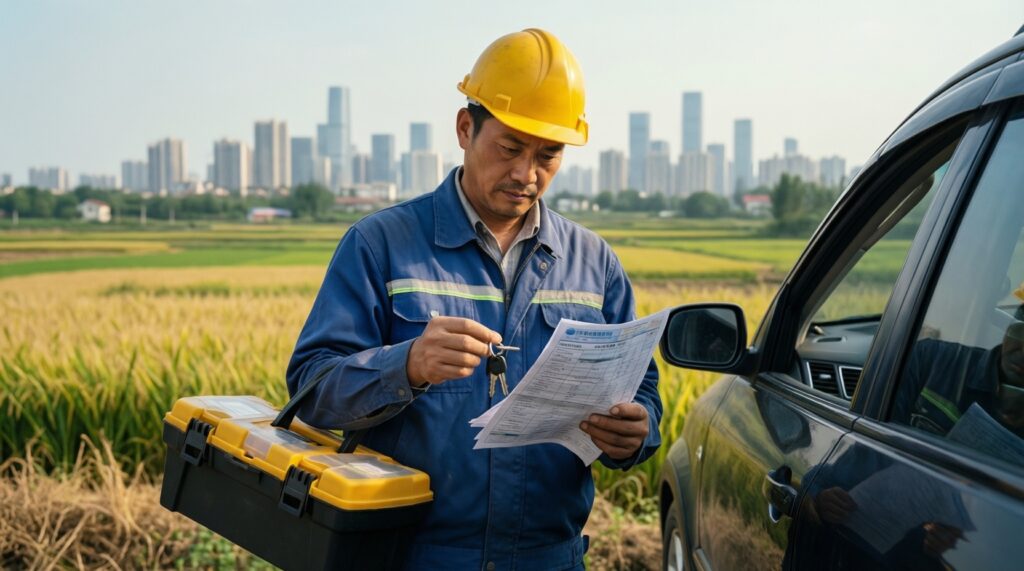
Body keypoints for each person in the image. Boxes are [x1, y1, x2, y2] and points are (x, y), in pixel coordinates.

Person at [286, 29, 661, 570]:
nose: (526, 174)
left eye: (548, 155)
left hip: (549, 559)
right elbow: (311, 389)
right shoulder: (380, 244)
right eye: (509, 148)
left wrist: (637, 432)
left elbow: (641, 388)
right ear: (465, 128)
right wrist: (406, 364)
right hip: (409, 556)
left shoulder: (594, 262)